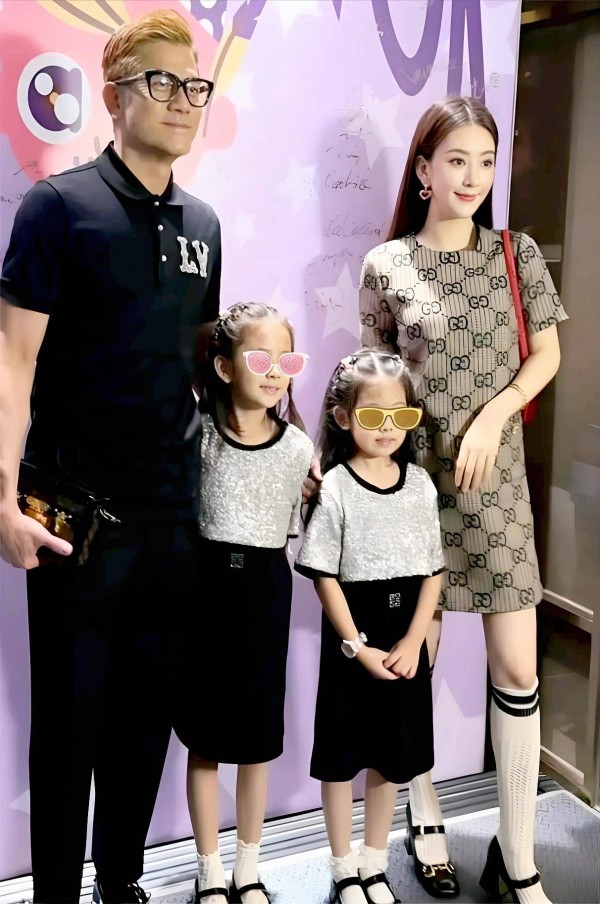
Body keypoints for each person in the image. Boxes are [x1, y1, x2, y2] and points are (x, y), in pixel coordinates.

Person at [0, 10, 220, 904]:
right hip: (72, 519)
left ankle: (120, 882)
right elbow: (12, 363)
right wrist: (1, 502)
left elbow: (201, 371)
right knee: (67, 727)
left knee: (143, 721)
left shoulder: (204, 223)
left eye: (194, 85)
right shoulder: (57, 207)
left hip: (174, 519)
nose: (182, 100)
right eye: (161, 81)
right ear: (115, 94)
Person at [356, 96, 568, 904]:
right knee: (417, 660)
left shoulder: (516, 254)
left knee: (517, 667)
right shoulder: (387, 265)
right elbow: (372, 381)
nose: (473, 176)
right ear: (422, 170)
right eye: (455, 160)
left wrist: (494, 414)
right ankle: (426, 819)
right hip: (413, 487)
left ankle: (519, 860)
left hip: (497, 486)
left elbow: (545, 355)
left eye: (485, 161)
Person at [295, 348, 449, 904]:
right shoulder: (336, 486)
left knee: (392, 756)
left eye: (400, 416)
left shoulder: (420, 484)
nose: (388, 428)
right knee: (341, 759)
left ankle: (375, 864)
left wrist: (414, 640)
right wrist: (356, 646)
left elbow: (433, 569)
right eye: (372, 416)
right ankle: (343, 869)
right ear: (343, 417)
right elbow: (324, 576)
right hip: (353, 637)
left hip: (405, 635)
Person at [173, 302, 314, 904]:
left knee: (257, 742)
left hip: (265, 594)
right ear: (226, 368)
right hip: (204, 593)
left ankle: (248, 868)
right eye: (261, 359)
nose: (276, 371)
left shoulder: (298, 447)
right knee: (205, 740)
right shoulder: (199, 436)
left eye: (287, 360)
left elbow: (293, 527)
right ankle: (208, 869)